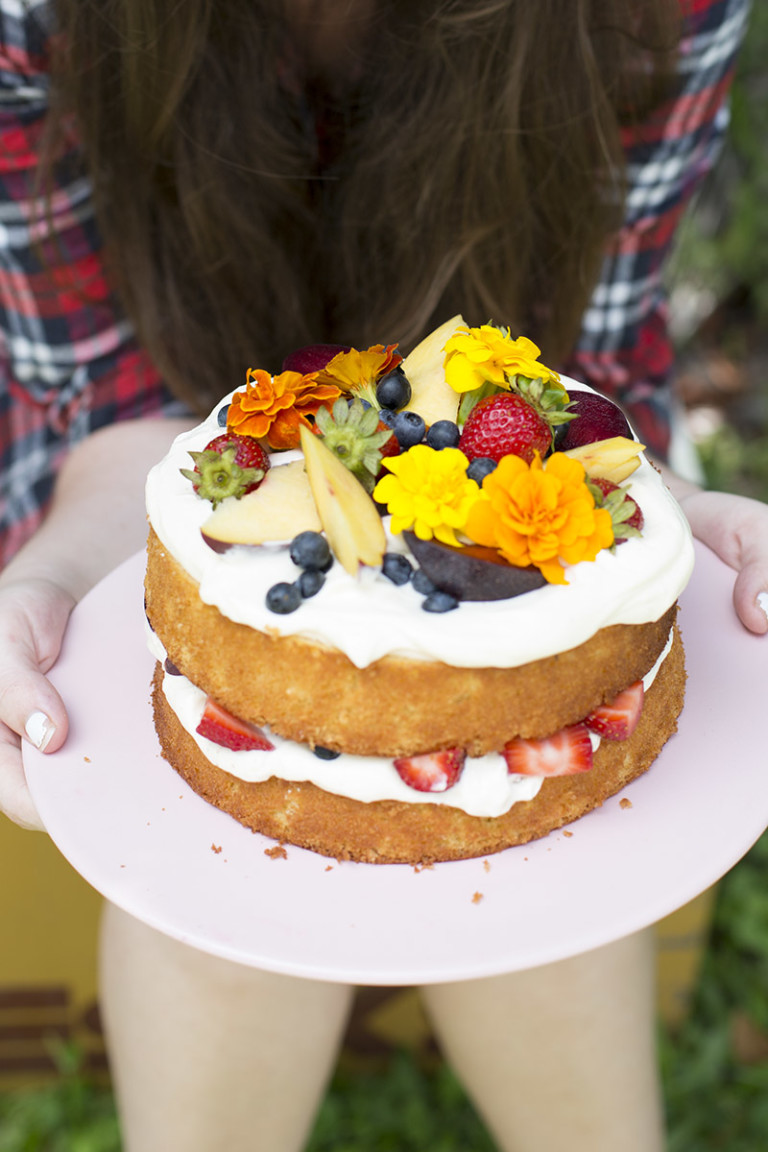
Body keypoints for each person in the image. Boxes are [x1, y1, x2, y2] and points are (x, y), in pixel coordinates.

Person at [1, 0, 766, 1149]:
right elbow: (107, 409)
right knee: (215, 915)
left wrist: (665, 521)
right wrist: (57, 572)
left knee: (558, 882)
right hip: (173, 471)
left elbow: (581, 380)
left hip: (511, 491)